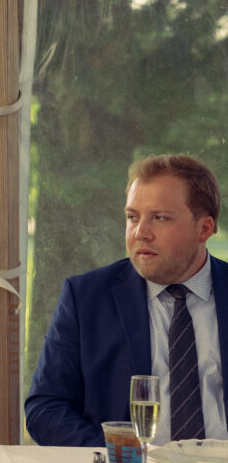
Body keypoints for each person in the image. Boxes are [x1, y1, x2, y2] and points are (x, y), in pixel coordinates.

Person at [25, 154, 228, 447]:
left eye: (159, 218)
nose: (140, 233)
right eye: (132, 217)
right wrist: (118, 455)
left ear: (204, 229)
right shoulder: (86, 297)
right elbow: (46, 408)